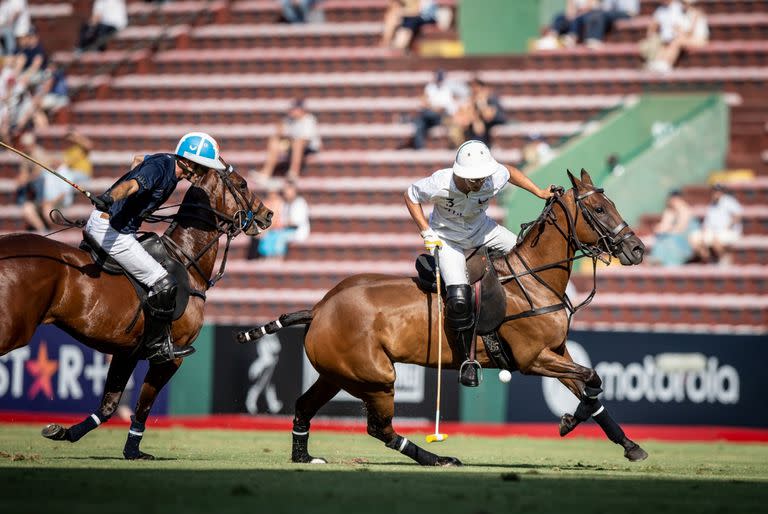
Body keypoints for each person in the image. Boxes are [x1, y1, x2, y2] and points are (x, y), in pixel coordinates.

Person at [405, 140, 553, 386]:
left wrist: (538, 192)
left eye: (483, 177)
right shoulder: (441, 182)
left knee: (526, 258)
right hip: (448, 239)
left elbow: (510, 173)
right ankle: (466, 360)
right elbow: (410, 195)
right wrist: (425, 231)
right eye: (474, 179)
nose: (481, 182)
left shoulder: (491, 176)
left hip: (483, 230)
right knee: (460, 297)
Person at [85, 132, 227, 363]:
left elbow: (139, 158)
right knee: (164, 282)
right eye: (202, 167)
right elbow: (132, 184)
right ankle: (157, 345)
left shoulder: (166, 163)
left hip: (119, 228)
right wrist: (112, 197)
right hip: (111, 230)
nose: (203, 173)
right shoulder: (161, 168)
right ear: (189, 162)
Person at [400, 69, 468, 150]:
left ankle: (411, 119)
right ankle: (420, 148)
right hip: (430, 117)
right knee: (419, 124)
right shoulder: (430, 87)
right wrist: (432, 107)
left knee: (426, 116)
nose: (439, 80)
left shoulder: (449, 87)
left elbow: (445, 107)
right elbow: (424, 102)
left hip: (443, 116)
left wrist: (434, 107)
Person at [259, 98, 321, 180]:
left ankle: (293, 172)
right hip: (293, 145)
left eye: (295, 109)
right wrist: (280, 129)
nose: (292, 111)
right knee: (274, 141)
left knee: (298, 142)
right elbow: (281, 134)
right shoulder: (288, 120)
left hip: (309, 147)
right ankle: (266, 173)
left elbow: (306, 140)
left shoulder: (308, 119)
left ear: (301, 110)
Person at [689, 184, 743, 265]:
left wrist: (728, 226)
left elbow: (738, 216)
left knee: (715, 239)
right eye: (714, 191)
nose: (715, 193)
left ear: (721, 192)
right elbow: (706, 224)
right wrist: (704, 233)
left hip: (729, 231)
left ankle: (724, 259)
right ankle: (709, 260)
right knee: (694, 238)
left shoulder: (728, 201)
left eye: (717, 191)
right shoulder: (711, 205)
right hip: (713, 231)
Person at [648, 0, 709, 72]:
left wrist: (680, 32)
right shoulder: (686, 14)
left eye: (685, 3)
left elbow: (690, 33)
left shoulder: (696, 14)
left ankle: (667, 64)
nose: (683, 5)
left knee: (677, 41)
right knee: (669, 42)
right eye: (682, 3)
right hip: (690, 38)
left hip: (700, 40)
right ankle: (659, 61)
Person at [256, 179, 310, 259]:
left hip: (296, 231)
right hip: (284, 229)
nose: (286, 192)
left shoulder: (300, 203)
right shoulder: (285, 203)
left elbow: (295, 222)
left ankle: (278, 258)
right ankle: (267, 257)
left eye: (288, 189)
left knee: (280, 237)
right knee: (269, 235)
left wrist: (283, 223)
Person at [647, 190, 697, 266]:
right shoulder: (669, 211)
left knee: (669, 240)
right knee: (661, 240)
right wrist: (662, 229)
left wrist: (667, 230)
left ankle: (670, 264)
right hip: (672, 236)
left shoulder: (685, 209)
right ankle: (657, 261)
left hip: (685, 239)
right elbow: (663, 226)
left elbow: (680, 228)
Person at [452, 77, 505, 148]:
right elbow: (460, 119)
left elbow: (488, 116)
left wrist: (481, 103)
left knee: (479, 129)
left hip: (490, 125)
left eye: (476, 87)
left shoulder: (490, 99)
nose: (474, 90)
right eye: (472, 88)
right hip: (473, 128)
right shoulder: (470, 99)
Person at [640, 0, 685, 73]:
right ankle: (657, 63)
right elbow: (653, 25)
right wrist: (651, 35)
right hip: (664, 38)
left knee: (675, 42)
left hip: (676, 37)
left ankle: (665, 64)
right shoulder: (660, 9)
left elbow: (682, 28)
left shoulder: (679, 7)